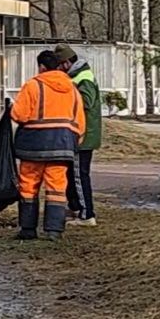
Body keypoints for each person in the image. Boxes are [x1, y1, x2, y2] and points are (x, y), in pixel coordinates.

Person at [10, 50, 86, 240]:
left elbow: (20, 115)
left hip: (33, 145)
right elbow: (80, 121)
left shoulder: (33, 86)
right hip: (62, 145)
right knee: (56, 188)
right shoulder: (72, 89)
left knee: (28, 185)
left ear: (41, 67)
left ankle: (28, 229)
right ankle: (54, 230)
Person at [61, 50, 103, 226]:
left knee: (79, 175)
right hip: (81, 133)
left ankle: (87, 214)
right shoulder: (79, 76)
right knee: (73, 173)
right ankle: (77, 207)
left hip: (83, 136)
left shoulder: (83, 78)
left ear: (66, 63)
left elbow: (87, 101)